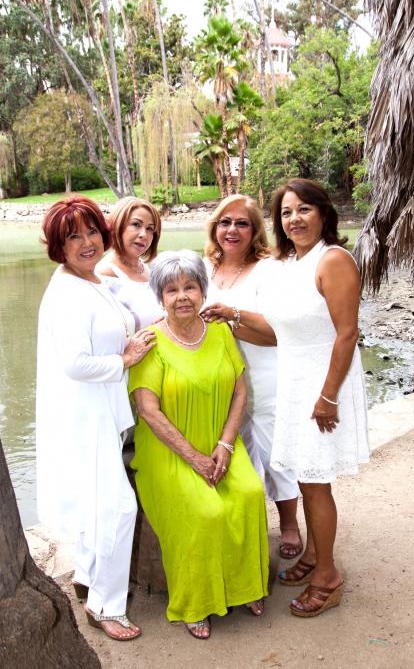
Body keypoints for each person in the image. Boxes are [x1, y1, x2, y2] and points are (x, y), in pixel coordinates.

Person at [205, 179, 370, 618]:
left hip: (322, 383)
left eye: (303, 209)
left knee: (314, 484)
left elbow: (348, 334)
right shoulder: (294, 262)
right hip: (294, 382)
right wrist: (230, 313)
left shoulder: (334, 260)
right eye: (286, 212)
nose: (294, 219)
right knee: (306, 477)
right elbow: (276, 329)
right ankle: (314, 556)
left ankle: (327, 577)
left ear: (323, 213)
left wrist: (328, 397)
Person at [128, 250, 269, 639]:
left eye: (190, 287)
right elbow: (148, 411)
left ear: (203, 292)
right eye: (171, 290)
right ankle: (196, 602)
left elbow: (240, 391)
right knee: (206, 512)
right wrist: (193, 458)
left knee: (249, 493)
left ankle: (245, 587)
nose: (182, 297)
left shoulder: (220, 332)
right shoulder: (151, 342)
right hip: (170, 453)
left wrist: (226, 445)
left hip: (219, 445)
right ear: (161, 297)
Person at [36, 195, 156, 641]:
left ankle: (88, 579)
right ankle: (105, 606)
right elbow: (75, 364)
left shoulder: (91, 280)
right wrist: (125, 359)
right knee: (119, 508)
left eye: (91, 232)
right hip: (85, 417)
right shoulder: (68, 292)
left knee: (99, 505)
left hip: (103, 410)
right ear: (58, 246)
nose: (87, 242)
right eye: (74, 237)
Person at [202, 194, 302, 559]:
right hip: (218, 381)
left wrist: (231, 316)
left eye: (242, 223)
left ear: (255, 230)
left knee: (275, 454)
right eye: (225, 222)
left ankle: (289, 526)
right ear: (214, 227)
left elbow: (277, 334)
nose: (232, 230)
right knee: (229, 452)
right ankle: (240, 521)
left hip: (263, 377)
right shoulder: (203, 268)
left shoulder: (269, 269)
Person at [97, 197, 162, 330]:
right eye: (136, 224)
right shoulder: (104, 275)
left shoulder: (147, 269)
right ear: (118, 225)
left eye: (150, 229)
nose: (144, 234)